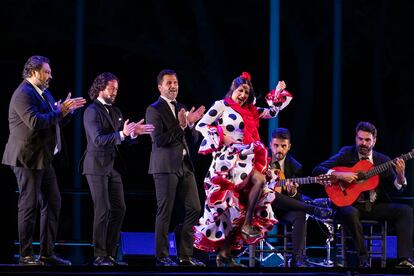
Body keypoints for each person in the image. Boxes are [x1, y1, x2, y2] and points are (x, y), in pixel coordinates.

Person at [193, 72, 293, 267]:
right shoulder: (221, 106)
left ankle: (245, 227)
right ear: (233, 89)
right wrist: (222, 137)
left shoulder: (252, 110)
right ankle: (223, 254)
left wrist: (278, 93)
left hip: (248, 159)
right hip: (227, 163)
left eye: (247, 92)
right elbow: (201, 125)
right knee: (229, 209)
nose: (243, 95)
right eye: (240, 90)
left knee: (255, 190)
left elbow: (272, 112)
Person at [2, 55, 86, 265]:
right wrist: (59, 111)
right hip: (27, 158)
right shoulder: (24, 93)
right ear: (33, 72)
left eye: (50, 71)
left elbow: (52, 122)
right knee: (29, 206)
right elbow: (35, 122)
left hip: (43, 158)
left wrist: (65, 112)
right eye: (46, 72)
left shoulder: (44, 93)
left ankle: (47, 253)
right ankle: (26, 255)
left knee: (53, 202)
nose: (50, 75)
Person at [312, 121, 414, 268]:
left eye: (367, 140)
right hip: (350, 205)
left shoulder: (382, 161)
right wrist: (340, 175)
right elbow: (318, 170)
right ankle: (363, 260)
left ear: (374, 141)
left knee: (406, 211)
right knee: (350, 213)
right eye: (360, 139)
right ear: (356, 138)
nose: (363, 143)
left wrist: (401, 175)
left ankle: (404, 259)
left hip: (373, 206)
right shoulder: (347, 153)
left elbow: (397, 188)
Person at [82, 72, 154, 266]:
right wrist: (122, 133)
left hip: (113, 167)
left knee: (119, 208)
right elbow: (98, 141)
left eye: (116, 89)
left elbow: (120, 141)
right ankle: (99, 254)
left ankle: (110, 254)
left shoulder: (116, 112)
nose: (115, 92)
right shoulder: (91, 111)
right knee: (103, 209)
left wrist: (132, 135)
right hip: (96, 166)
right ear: (100, 88)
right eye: (111, 88)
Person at [145, 69, 206, 267]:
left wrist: (190, 125)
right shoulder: (153, 109)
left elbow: (193, 139)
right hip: (164, 167)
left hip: (185, 165)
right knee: (165, 211)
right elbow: (159, 140)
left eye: (176, 83)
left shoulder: (181, 107)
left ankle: (185, 256)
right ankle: (162, 256)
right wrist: (180, 126)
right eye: (169, 83)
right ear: (160, 87)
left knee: (195, 209)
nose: (173, 86)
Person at [269, 127, 332, 267]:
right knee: (271, 194)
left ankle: (297, 258)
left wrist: (292, 192)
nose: (279, 150)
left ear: (289, 146)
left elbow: (295, 199)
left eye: (283, 146)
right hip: (262, 208)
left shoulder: (295, 166)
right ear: (270, 145)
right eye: (276, 145)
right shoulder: (262, 160)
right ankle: (313, 209)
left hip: (283, 210)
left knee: (300, 214)